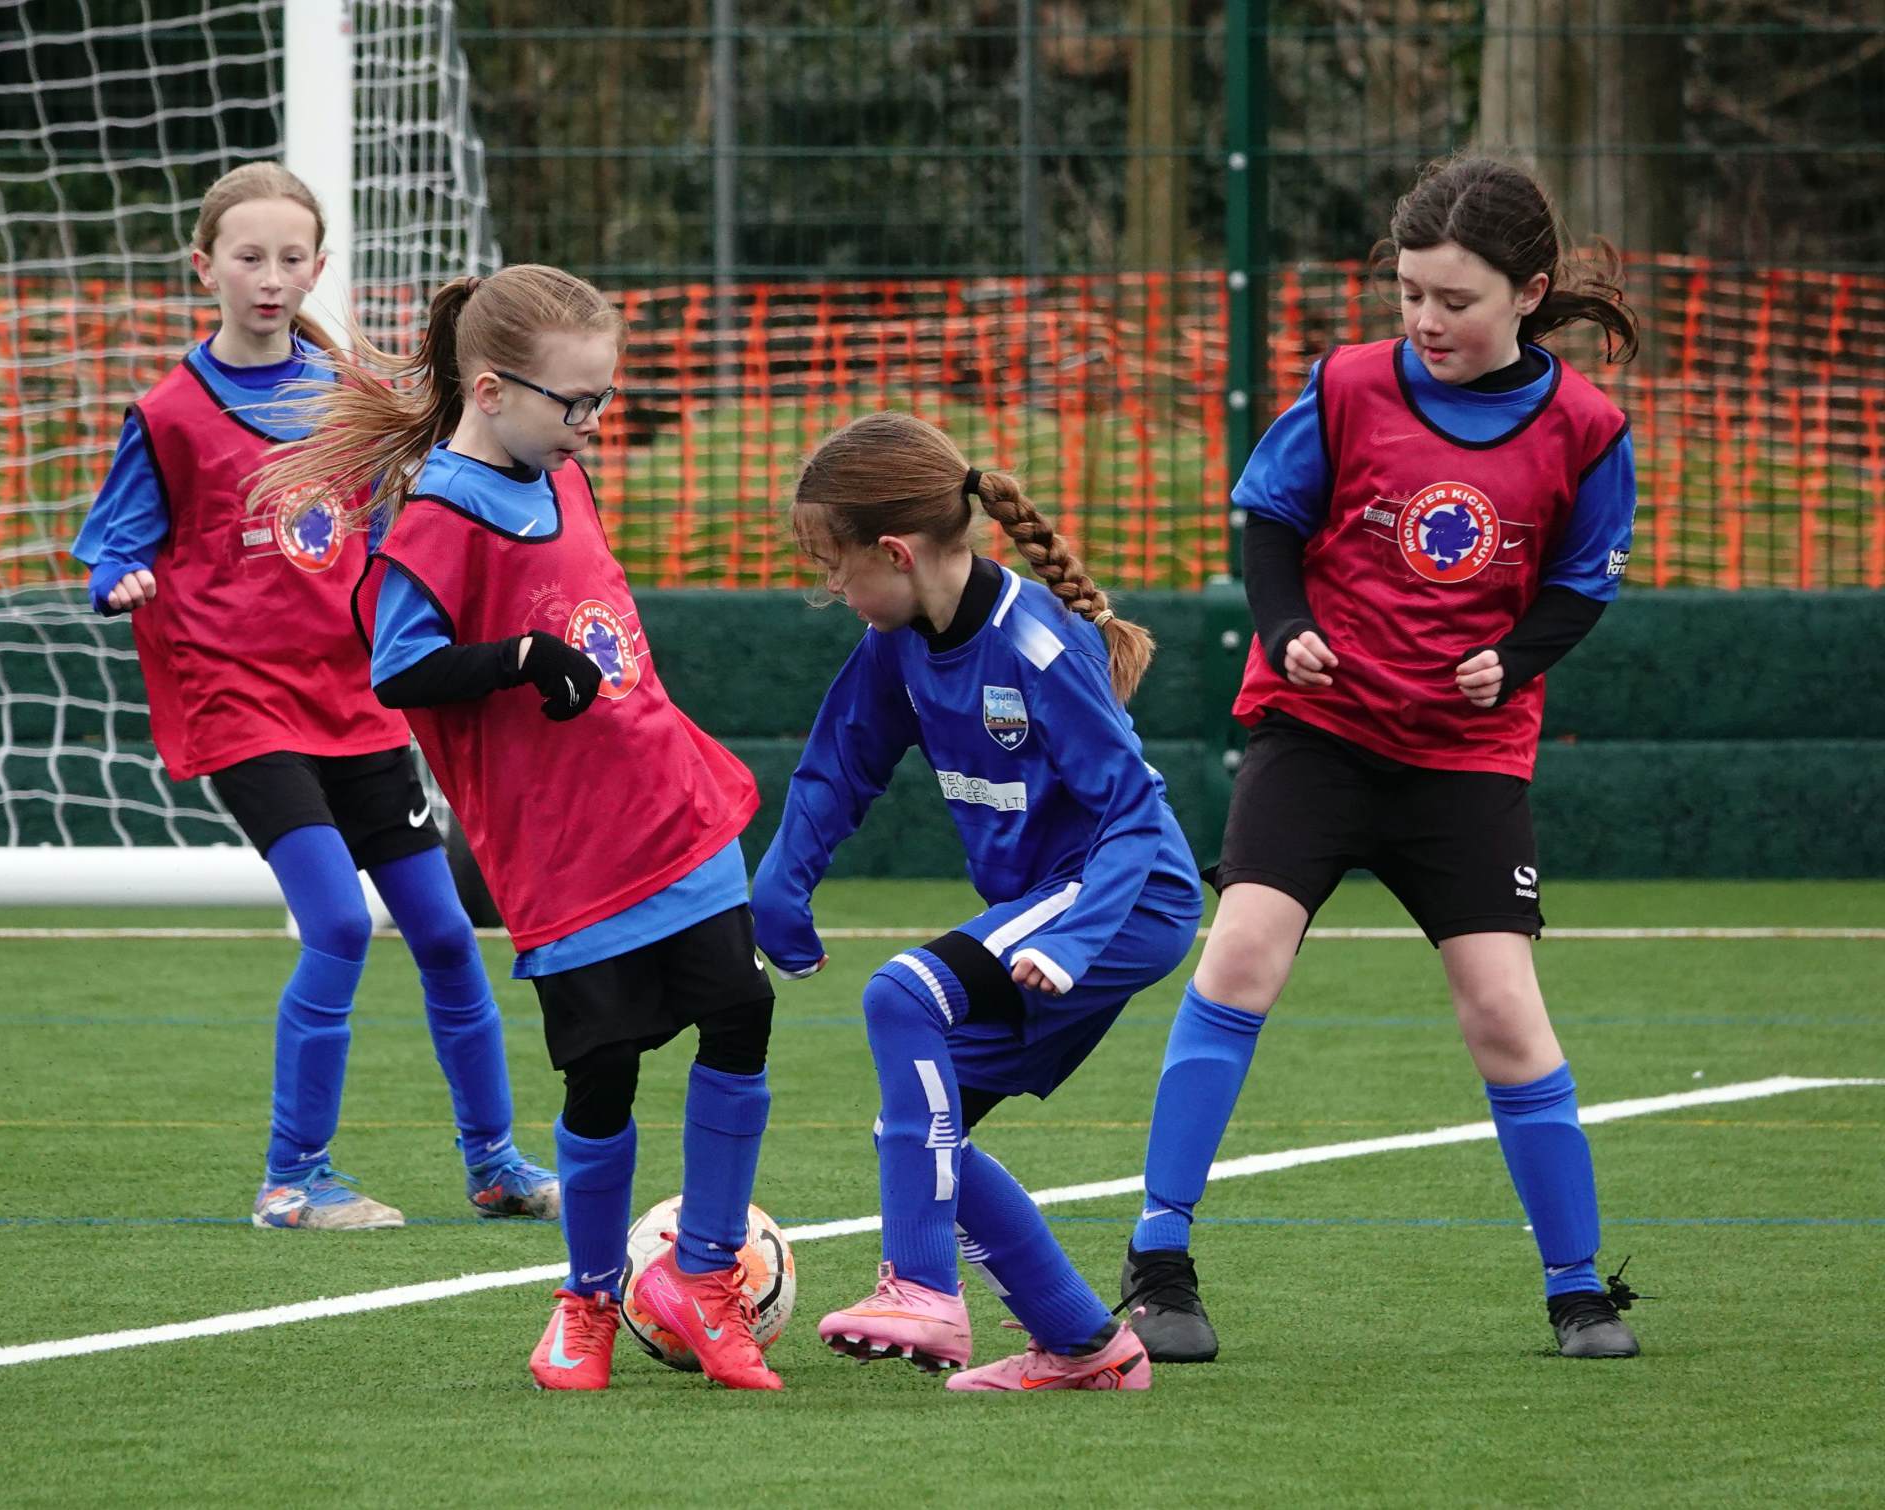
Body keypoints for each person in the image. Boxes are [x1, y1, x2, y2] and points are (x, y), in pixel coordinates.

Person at [1118, 153, 1645, 1363]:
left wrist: (1514, 659)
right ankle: (1159, 1261)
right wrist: (1286, 626)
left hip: (1465, 760)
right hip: (1320, 734)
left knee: (1504, 1011)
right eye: (1410, 293)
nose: (1425, 320)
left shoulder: (1586, 428)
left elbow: (1582, 584)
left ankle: (1578, 1291)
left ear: (1529, 294)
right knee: (1240, 952)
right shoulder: (1351, 384)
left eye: (1454, 299)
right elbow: (1270, 518)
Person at [254, 262, 783, 1392]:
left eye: (604, 397)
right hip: (566, 857)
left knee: (743, 1014)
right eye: (576, 401)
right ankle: (589, 1300)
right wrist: (519, 658)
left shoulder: (563, 474)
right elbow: (399, 668)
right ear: (491, 392)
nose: (594, 420)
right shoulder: (440, 519)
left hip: (673, 807)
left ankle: (702, 1275)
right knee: (603, 1076)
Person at [72, 163, 555, 1233]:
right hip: (240, 707)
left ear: (318, 267)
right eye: (248, 256)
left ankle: (496, 1165)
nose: (270, 276)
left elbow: (390, 532)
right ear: (204, 267)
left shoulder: (346, 398)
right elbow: (111, 544)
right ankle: (293, 1181)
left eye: (291, 258)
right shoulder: (168, 414)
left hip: (356, 702)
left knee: (445, 933)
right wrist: (120, 580)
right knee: (337, 919)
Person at [750, 412, 1203, 1392]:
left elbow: (1132, 809)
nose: (831, 591)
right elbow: (836, 768)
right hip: (1058, 903)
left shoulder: (1038, 644)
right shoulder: (898, 641)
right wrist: (781, 886)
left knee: (899, 996)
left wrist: (1076, 940)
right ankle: (1087, 1347)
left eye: (834, 568)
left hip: (1125, 897)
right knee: (922, 1134)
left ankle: (922, 1289)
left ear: (895, 552)